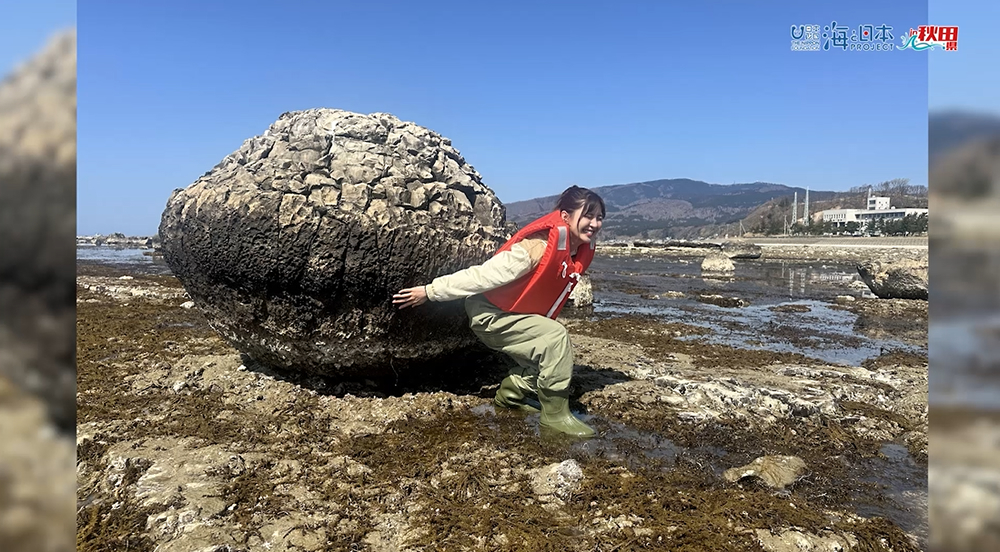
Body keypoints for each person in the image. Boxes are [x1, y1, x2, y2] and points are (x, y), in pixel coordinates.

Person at [393, 185, 605, 437]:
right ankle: (555, 416)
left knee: (553, 360)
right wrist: (430, 291)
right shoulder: (535, 248)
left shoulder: (574, 249)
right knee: (555, 338)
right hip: (490, 315)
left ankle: (511, 395)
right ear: (566, 216)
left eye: (599, 217)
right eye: (588, 215)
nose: (594, 223)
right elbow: (481, 277)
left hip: (515, 315)